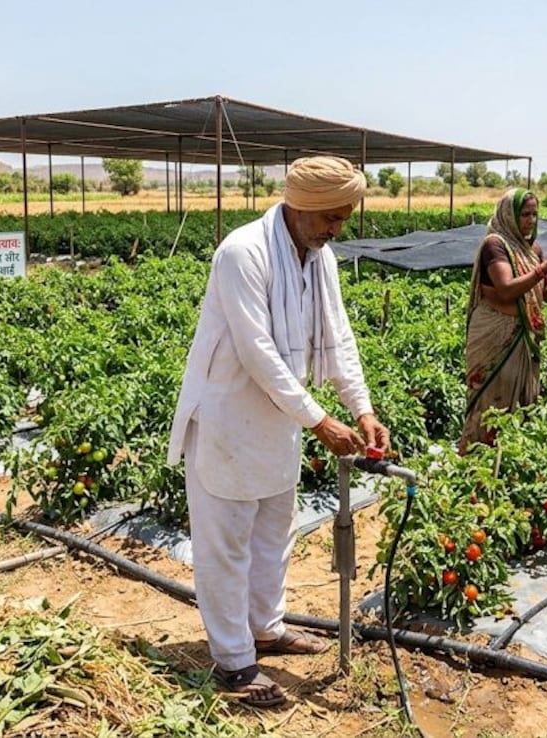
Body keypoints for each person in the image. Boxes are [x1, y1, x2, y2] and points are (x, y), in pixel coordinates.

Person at [167, 156, 390, 708]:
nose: (338, 229)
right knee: (227, 544)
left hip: (280, 420)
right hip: (230, 418)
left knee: (274, 534)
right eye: (332, 218)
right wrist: (318, 419)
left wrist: (360, 410)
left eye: (343, 218)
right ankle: (234, 662)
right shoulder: (243, 252)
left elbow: (338, 340)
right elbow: (257, 352)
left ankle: (266, 628)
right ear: (302, 206)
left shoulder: (320, 257)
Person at [460, 188, 547, 450]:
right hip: (495, 335)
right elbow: (506, 288)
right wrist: (546, 267)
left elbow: (546, 296)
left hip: (522, 336)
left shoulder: (532, 248)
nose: (531, 220)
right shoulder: (495, 244)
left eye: (535, 214)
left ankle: (512, 461)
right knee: (490, 402)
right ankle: (476, 465)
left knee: (521, 405)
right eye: (525, 214)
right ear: (509, 214)